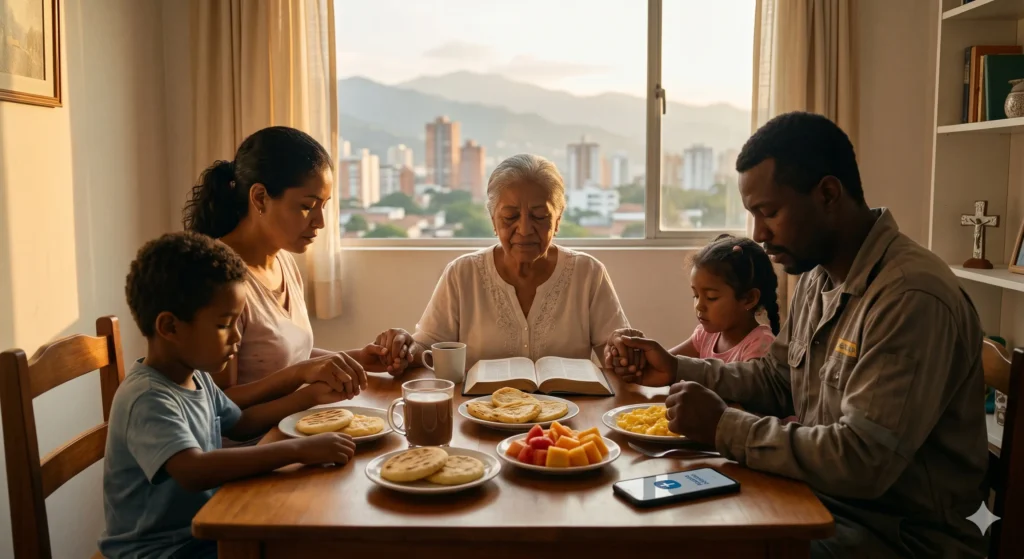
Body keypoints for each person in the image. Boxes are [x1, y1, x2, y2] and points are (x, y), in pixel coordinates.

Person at [606, 112, 988, 558]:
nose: (759, 234)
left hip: (894, 537)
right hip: (814, 499)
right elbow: (776, 380)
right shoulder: (818, 275)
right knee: (650, 519)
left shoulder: (909, 296)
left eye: (769, 213)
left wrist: (724, 425)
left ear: (827, 193)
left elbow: (862, 461)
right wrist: (675, 368)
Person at [100, 232, 357, 559]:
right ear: (170, 327)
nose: (237, 337)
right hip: (162, 551)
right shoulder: (147, 398)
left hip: (205, 529)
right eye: (225, 325)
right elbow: (194, 470)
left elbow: (241, 424)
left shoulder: (197, 378)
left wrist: (311, 397)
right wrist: (298, 449)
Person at [183, 126, 386, 412]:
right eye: (307, 206)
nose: (320, 222)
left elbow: (283, 359)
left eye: (324, 206)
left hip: (292, 429)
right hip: (249, 448)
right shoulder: (217, 279)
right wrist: (303, 382)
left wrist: (357, 359)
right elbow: (221, 406)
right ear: (260, 198)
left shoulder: (283, 261)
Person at [375, 154, 630, 374]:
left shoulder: (588, 273)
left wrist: (623, 351)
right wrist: (405, 347)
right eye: (510, 217)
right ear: (493, 219)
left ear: (558, 218)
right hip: (480, 417)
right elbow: (428, 347)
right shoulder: (463, 273)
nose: (524, 229)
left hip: (567, 422)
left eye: (540, 216)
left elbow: (615, 350)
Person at [669, 234, 778, 362]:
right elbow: (667, 362)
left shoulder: (760, 345)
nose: (699, 305)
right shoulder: (706, 335)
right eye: (696, 295)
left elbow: (745, 382)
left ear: (749, 298)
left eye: (711, 297)